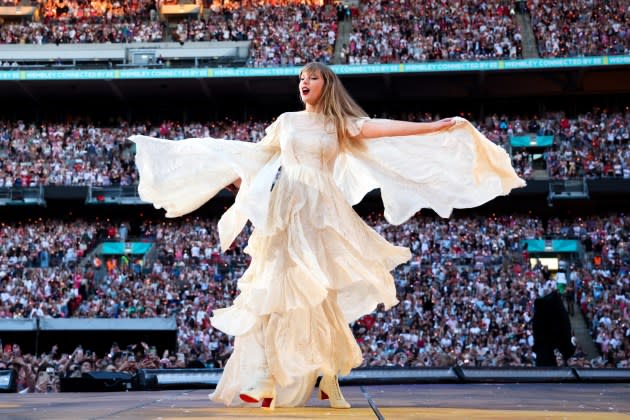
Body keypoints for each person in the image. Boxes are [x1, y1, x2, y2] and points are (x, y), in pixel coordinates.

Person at [129, 62, 525, 409]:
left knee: (323, 297)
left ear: (326, 84)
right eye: (301, 77)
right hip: (287, 209)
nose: (303, 82)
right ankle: (270, 375)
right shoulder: (286, 121)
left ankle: (329, 377)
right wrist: (231, 178)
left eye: (312, 77)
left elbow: (381, 128)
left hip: (325, 211)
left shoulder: (340, 124)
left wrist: (433, 126)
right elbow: (259, 157)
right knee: (275, 287)